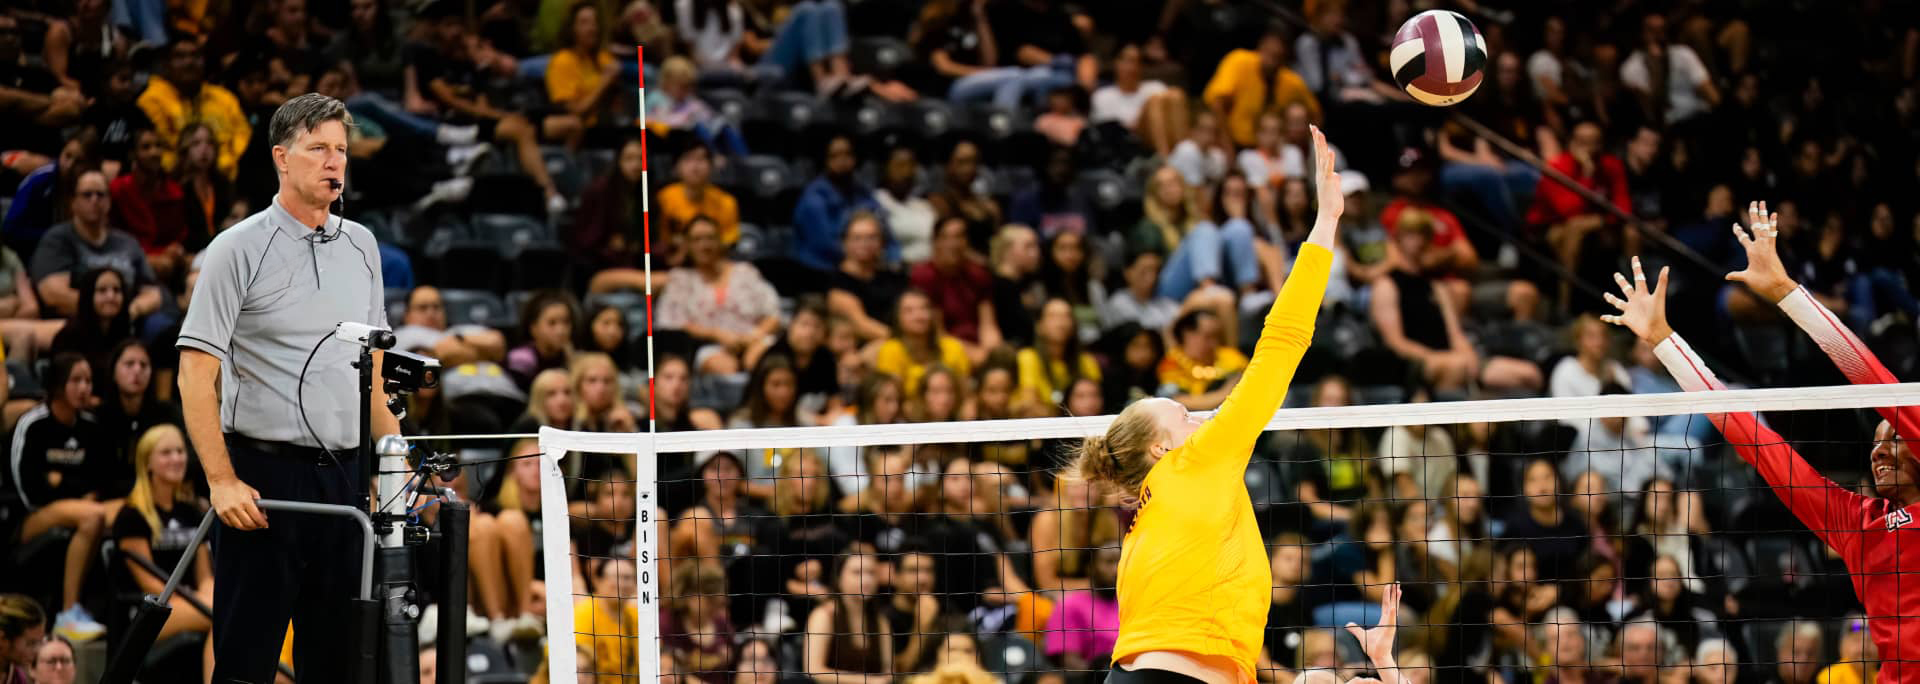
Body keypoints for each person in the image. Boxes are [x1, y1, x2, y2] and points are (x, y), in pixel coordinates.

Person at [1601, 201, 1920, 684]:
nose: (1879, 450)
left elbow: (1873, 380)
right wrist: (1664, 340)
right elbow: (1754, 440)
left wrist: (1788, 295)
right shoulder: (1857, 525)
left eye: (1894, 438)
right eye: (1875, 442)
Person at [1065, 126, 1340, 684]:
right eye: (1185, 415)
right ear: (1161, 445)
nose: (1202, 418)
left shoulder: (1150, 509)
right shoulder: (1194, 463)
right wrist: (1326, 221)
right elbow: (1282, 342)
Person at [175, 94, 397, 683]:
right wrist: (221, 481)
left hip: (344, 479)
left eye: (342, 151)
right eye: (318, 148)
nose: (334, 163)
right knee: (247, 663)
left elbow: (370, 370)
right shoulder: (236, 248)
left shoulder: (364, 247)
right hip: (263, 481)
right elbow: (195, 372)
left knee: (337, 663)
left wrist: (395, 467)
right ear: (281, 157)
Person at [8, 353, 114, 642]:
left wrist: (60, 481)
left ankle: (90, 607)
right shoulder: (33, 424)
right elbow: (26, 485)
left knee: (105, 513)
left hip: (76, 507)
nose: (84, 388)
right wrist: (69, 496)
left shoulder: (91, 427)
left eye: (89, 381)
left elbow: (101, 479)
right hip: (30, 515)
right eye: (76, 380)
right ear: (57, 384)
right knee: (93, 514)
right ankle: (68, 613)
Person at [111, 424, 213, 674]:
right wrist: (203, 604)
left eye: (180, 451)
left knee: (226, 613)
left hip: (191, 604)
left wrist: (207, 598)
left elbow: (206, 577)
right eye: (166, 453)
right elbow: (151, 584)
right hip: (148, 614)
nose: (176, 458)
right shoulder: (131, 515)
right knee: (223, 619)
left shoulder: (192, 511)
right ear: (147, 463)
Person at [30, 168, 164, 319]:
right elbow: (54, 295)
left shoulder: (128, 242)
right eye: (87, 195)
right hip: (79, 322)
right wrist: (107, 309)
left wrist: (133, 310)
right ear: (73, 202)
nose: (94, 200)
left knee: (163, 327)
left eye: (100, 194)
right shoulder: (57, 239)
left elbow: (153, 294)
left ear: (109, 202)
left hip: (129, 321)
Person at [137, 38, 250, 179]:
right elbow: (159, 149)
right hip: (177, 179)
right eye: (180, 57)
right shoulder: (152, 100)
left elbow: (243, 134)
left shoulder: (223, 97)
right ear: (166, 64)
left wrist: (222, 164)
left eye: (195, 56)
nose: (189, 62)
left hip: (226, 177)